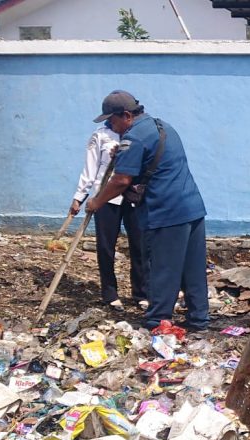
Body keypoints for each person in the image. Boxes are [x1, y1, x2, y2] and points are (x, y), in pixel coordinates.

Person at [85, 90, 210, 331]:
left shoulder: (134, 138)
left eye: (112, 121)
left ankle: (157, 321)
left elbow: (121, 180)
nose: (112, 127)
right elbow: (151, 160)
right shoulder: (163, 127)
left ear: (127, 115)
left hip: (166, 212)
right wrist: (121, 154)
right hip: (192, 207)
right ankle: (199, 320)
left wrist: (97, 202)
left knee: (163, 268)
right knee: (192, 269)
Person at [71, 118, 147, 311]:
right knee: (106, 246)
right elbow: (90, 169)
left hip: (133, 196)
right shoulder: (101, 136)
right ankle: (110, 293)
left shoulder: (139, 135)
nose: (112, 123)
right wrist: (79, 196)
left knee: (139, 245)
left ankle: (141, 293)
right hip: (105, 197)